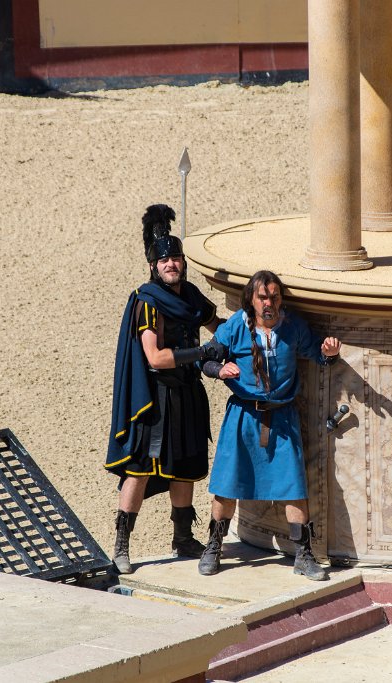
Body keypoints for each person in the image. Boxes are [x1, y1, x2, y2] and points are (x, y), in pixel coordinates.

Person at [105, 204, 226, 574]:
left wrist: (247, 327)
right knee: (140, 468)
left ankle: (183, 538)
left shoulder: (189, 296)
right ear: (153, 265)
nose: (171, 264)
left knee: (184, 466)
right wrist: (202, 352)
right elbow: (155, 357)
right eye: (164, 260)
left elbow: (216, 323)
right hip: (154, 399)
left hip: (187, 393)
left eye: (175, 258)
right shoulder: (149, 302)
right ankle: (121, 546)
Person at [198, 270, 340, 581]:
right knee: (226, 485)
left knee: (294, 487)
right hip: (243, 417)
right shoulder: (236, 325)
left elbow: (317, 355)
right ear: (251, 299)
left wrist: (328, 353)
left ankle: (303, 555)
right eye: (263, 297)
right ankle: (214, 546)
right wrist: (220, 369)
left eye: (274, 297)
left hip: (282, 418)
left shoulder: (294, 327)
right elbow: (204, 360)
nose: (269, 303)